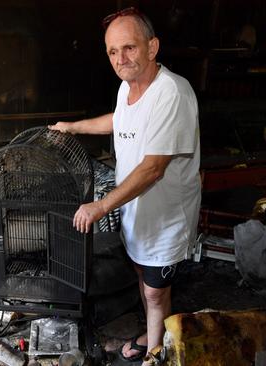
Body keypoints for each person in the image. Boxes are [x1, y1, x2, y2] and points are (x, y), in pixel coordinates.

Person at [49, 7, 200, 364]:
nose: (121, 58)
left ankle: (154, 353)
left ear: (152, 47)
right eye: (113, 52)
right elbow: (119, 120)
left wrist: (100, 206)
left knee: (153, 293)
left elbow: (153, 168)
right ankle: (156, 332)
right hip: (136, 211)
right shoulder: (128, 88)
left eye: (129, 47)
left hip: (165, 218)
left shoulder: (171, 93)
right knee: (144, 279)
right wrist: (74, 127)